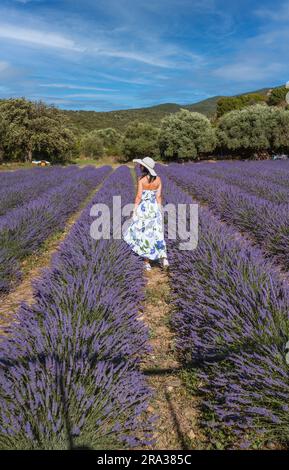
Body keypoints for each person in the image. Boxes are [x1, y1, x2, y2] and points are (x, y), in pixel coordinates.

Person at [123, 157, 169, 272]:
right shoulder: (158, 180)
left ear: (144, 167)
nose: (139, 166)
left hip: (144, 209)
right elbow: (158, 197)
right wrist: (159, 210)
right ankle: (163, 258)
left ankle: (147, 263)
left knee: (145, 234)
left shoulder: (141, 179)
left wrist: (134, 210)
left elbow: (139, 196)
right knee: (157, 233)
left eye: (141, 165)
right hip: (154, 208)